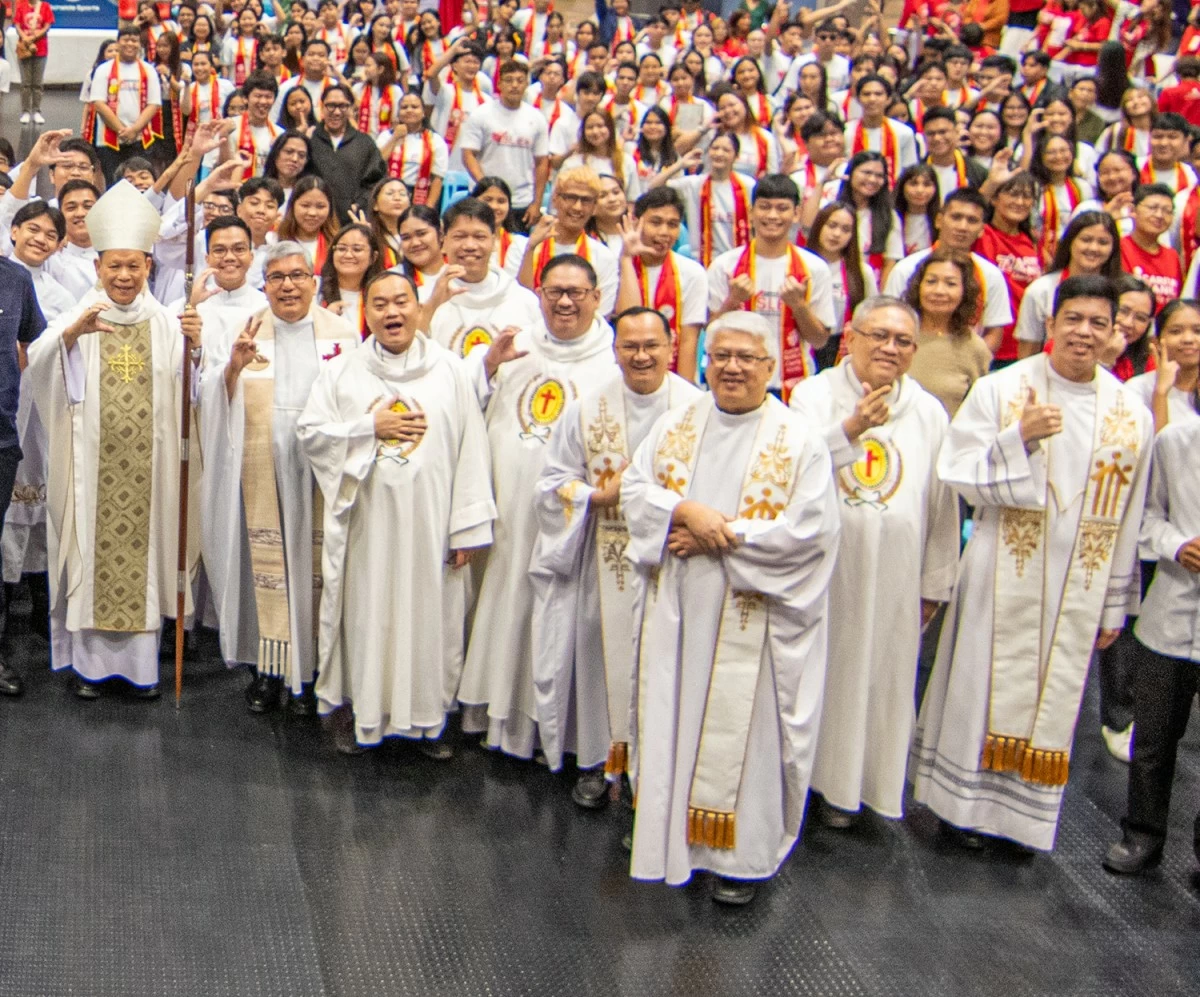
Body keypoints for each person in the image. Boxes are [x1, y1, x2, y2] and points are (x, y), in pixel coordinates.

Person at [910, 275, 1153, 853]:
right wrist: (1016, 439)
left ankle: (1023, 822)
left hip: (1081, 579)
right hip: (1002, 565)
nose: (1084, 332)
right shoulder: (1004, 389)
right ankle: (962, 810)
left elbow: (1131, 511)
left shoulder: (1129, 412)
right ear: (1051, 322)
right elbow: (956, 469)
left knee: (1055, 693)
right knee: (978, 684)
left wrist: (1116, 602)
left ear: (1114, 331)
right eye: (1073, 319)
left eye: (1098, 322)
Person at [619, 309, 840, 905]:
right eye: (721, 357)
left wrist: (716, 536)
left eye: (748, 358)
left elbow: (810, 535)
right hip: (680, 611)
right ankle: (669, 834)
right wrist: (684, 513)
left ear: (772, 367)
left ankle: (739, 859)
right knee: (674, 714)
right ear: (705, 362)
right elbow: (637, 491)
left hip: (752, 614)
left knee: (747, 738)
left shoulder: (799, 441)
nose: (733, 368)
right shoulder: (676, 424)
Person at [296, 269, 495, 756]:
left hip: (432, 527)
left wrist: (466, 527)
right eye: (380, 304)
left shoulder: (449, 370)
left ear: (417, 307)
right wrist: (370, 426)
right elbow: (311, 436)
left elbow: (473, 449)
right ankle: (362, 713)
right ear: (367, 313)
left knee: (431, 621)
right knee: (368, 619)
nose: (392, 313)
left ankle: (428, 721)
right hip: (368, 526)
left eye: (401, 301)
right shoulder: (343, 371)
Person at [25, 181, 201, 698]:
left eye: (135, 265)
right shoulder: (79, 316)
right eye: (114, 266)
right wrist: (69, 339)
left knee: (142, 560)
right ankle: (91, 670)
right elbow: (40, 365)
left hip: (149, 476)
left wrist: (199, 348)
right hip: (90, 472)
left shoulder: (168, 323)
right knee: (91, 558)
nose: (124, 276)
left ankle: (143, 670)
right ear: (98, 266)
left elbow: (192, 392)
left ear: (149, 266)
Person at [792, 287, 958, 818]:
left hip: (895, 575)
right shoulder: (812, 396)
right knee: (820, 676)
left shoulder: (928, 411)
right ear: (851, 339)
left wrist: (935, 581)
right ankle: (804, 781)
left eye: (903, 340)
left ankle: (857, 788)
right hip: (824, 573)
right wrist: (851, 428)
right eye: (879, 335)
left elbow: (941, 502)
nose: (890, 348)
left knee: (881, 679)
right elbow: (787, 469)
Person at [530, 306, 701, 807]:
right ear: (615, 350)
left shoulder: (697, 408)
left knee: (660, 665)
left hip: (671, 562)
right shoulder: (586, 409)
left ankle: (655, 775)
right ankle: (596, 762)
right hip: (603, 556)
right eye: (630, 346)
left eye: (652, 345)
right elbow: (550, 483)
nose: (642, 356)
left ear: (672, 347)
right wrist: (594, 498)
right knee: (600, 657)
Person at [458, 255, 618, 759]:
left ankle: (553, 729)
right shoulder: (515, 345)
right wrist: (485, 366)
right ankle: (490, 714)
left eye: (575, 292)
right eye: (554, 292)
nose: (565, 301)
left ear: (596, 297)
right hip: (508, 506)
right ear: (539, 295)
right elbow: (462, 406)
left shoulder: (611, 364)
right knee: (502, 601)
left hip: (571, 519)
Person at [199, 240, 359, 716]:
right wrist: (233, 366)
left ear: (313, 281)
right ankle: (268, 671)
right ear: (263, 286)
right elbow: (213, 394)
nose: (287, 285)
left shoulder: (343, 335)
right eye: (276, 278)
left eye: (297, 276)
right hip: (263, 467)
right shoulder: (248, 330)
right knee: (265, 570)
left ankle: (313, 674)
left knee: (316, 570)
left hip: (320, 470)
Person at [1101, 402, 1200, 876]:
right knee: (1153, 738)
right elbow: (1145, 519)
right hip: (1170, 618)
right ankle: (1141, 834)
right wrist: (1176, 545)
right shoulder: (1174, 443)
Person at [707, 174, 834, 402]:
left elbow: (820, 340)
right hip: (737, 383)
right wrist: (732, 301)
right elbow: (711, 332)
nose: (772, 216)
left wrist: (799, 306)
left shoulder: (814, 268)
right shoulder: (725, 265)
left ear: (796, 213)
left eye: (782, 208)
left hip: (795, 386)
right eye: (764, 207)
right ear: (751, 211)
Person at [883, 188, 1013, 354]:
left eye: (972, 220)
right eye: (956, 217)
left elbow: (994, 331)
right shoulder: (906, 269)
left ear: (982, 229)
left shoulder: (991, 275)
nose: (963, 227)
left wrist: (970, 360)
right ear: (938, 220)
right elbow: (890, 319)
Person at [614, 187, 707, 381]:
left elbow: (689, 341)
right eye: (655, 222)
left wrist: (683, 399)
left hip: (672, 377)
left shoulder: (692, 273)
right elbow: (628, 322)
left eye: (672, 224)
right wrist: (627, 260)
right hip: (623, 374)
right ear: (635, 222)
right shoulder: (615, 264)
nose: (664, 232)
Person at [427, 197, 539, 356]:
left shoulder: (524, 301)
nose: (470, 246)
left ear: (493, 242)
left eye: (479, 237)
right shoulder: (425, 298)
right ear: (443, 241)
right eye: (459, 236)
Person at [459, 59, 549, 232]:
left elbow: (542, 162)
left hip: (521, 201)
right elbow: (468, 154)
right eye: (509, 80)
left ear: (526, 84)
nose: (514, 85)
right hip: (485, 200)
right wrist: (486, 186)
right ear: (499, 83)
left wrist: (536, 203)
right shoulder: (481, 115)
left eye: (520, 80)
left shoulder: (537, 118)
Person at [1016, 211, 1122, 358]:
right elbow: (1027, 354)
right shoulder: (1041, 290)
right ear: (1070, 242)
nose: (1093, 248)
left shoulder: (1123, 292)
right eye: (1086, 240)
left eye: (1103, 242)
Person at [517, 167, 619, 316]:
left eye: (586, 200)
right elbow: (518, 302)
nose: (577, 207)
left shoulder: (604, 257)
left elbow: (602, 314)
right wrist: (530, 250)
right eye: (570, 197)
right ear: (555, 199)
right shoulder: (523, 248)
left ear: (595, 207)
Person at [903, 248, 993, 417]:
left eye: (950, 284)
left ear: (964, 291)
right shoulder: (898, 337)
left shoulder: (975, 348)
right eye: (931, 281)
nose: (939, 291)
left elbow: (980, 412)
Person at [651, 134, 754, 265]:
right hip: (701, 262)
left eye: (726, 150)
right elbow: (653, 187)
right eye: (715, 148)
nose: (719, 153)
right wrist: (680, 164)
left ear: (736, 156)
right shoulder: (694, 184)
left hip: (738, 261)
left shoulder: (748, 186)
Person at [88, 26, 164, 182]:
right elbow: (99, 103)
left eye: (134, 40)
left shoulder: (149, 70)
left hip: (140, 138)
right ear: (118, 43)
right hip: (110, 139)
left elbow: (154, 104)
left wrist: (134, 130)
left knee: (140, 183)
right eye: (126, 40)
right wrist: (121, 130)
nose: (130, 44)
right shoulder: (103, 69)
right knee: (113, 183)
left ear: (139, 44)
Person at [308, 84, 388, 224]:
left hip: (352, 220)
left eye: (343, 106)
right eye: (331, 105)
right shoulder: (310, 140)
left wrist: (360, 202)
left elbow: (376, 181)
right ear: (321, 107)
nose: (337, 112)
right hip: (313, 218)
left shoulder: (364, 143)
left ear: (351, 108)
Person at [1119, 184, 1183, 315]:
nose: (1159, 215)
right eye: (1153, 208)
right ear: (1133, 210)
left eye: (1167, 211)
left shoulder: (1172, 256)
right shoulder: (1118, 248)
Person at [319, 224, 383, 334]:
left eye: (357, 249)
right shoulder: (315, 289)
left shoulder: (382, 293)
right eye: (341, 248)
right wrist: (323, 320)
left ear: (374, 257)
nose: (348, 255)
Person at [222, 71, 281, 181]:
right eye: (258, 96)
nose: (263, 101)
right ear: (245, 98)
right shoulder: (228, 128)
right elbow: (212, 167)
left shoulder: (280, 134)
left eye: (268, 97)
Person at [13, 0, 53, 125]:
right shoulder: (21, 6)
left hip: (40, 49)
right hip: (24, 48)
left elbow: (47, 26)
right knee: (25, 82)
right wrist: (25, 38)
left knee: (37, 83)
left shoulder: (45, 7)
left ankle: (36, 111)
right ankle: (25, 111)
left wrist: (34, 37)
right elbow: (17, 25)